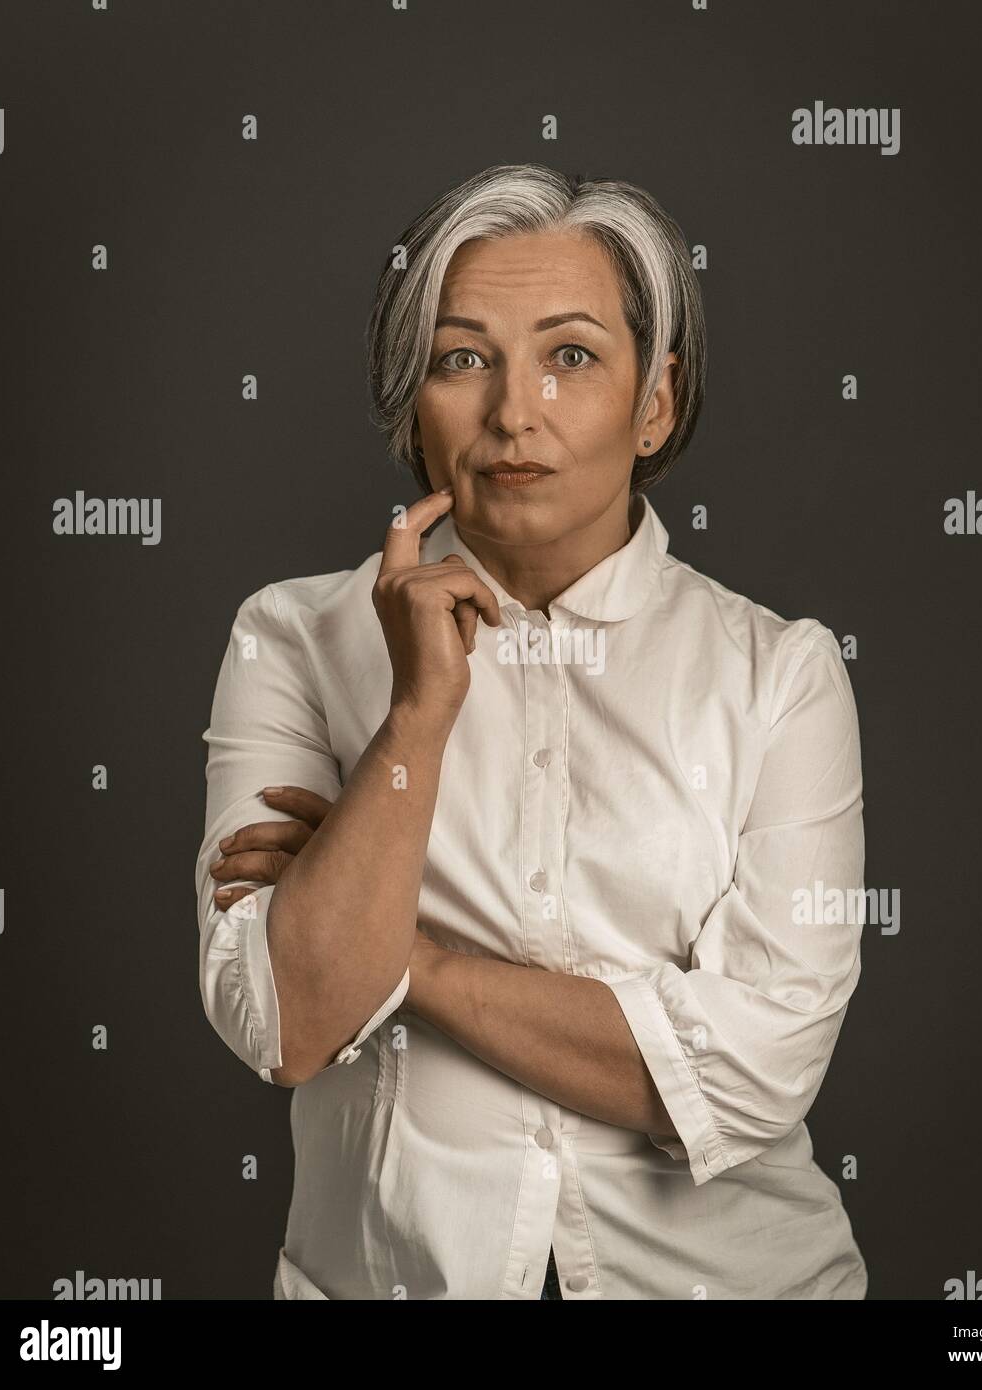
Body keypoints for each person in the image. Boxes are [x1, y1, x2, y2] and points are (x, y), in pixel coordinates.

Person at [196, 163, 868, 1300]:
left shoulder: (778, 674)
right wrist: (417, 711)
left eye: (570, 356)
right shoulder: (288, 639)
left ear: (653, 401)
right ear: (415, 399)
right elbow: (282, 1020)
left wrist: (404, 961)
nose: (514, 412)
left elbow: (755, 1072)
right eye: (464, 359)